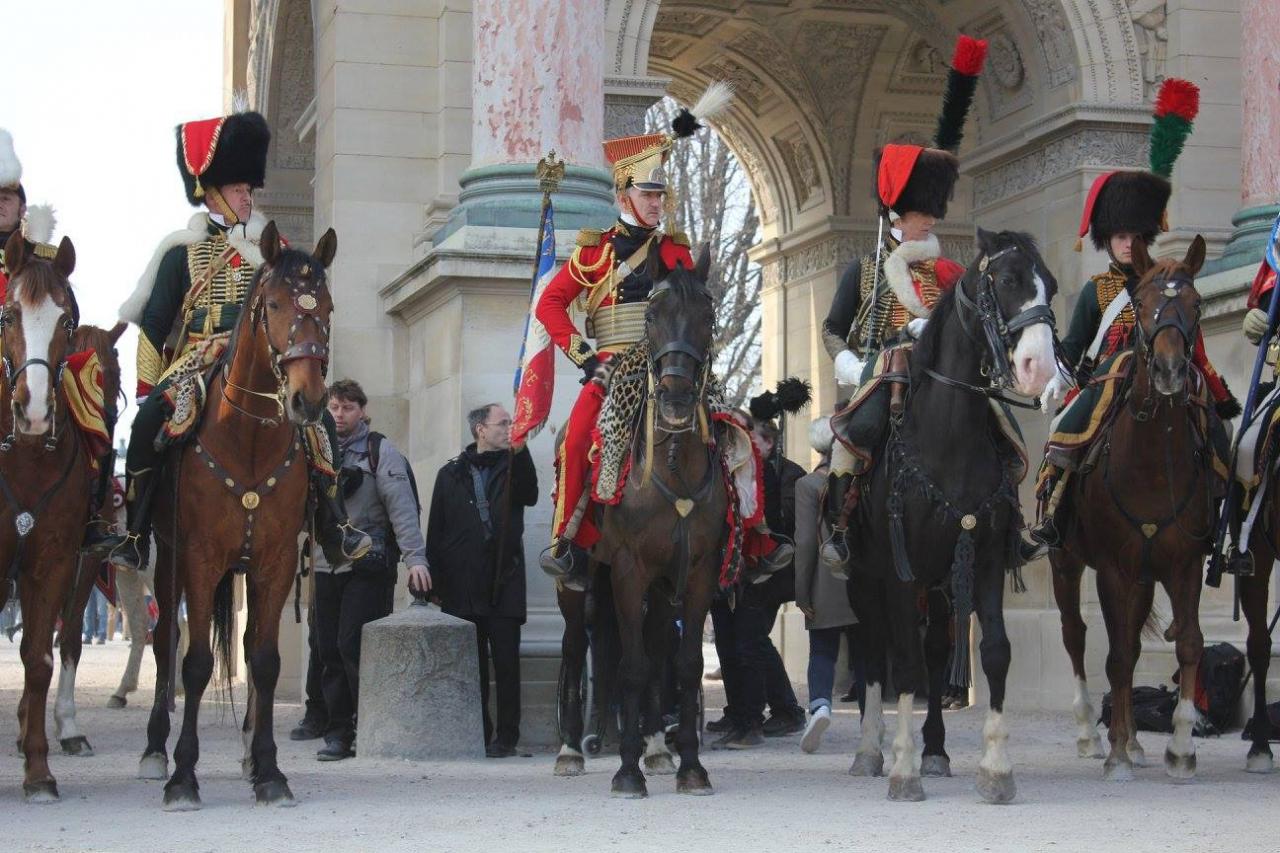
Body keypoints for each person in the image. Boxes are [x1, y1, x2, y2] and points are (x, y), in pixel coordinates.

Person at [109, 109, 370, 573]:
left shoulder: (276, 255)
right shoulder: (180, 252)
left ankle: (336, 526)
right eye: (238, 190)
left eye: (249, 190)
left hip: (264, 364)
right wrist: (150, 387)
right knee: (147, 423)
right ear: (212, 193)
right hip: (195, 360)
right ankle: (136, 531)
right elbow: (152, 325)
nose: (247, 197)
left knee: (319, 424)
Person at [531, 85, 741, 590]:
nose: (657, 204)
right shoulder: (595, 253)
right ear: (624, 195)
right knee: (578, 438)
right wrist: (583, 356)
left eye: (661, 195)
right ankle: (571, 542)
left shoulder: (676, 252)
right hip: (611, 362)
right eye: (649, 195)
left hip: (669, 364)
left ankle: (748, 540)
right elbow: (550, 304)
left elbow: (693, 307)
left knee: (734, 437)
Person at [1031, 78, 1237, 547]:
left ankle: (1223, 510)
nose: (1127, 243)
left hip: (1166, 371)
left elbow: (1188, 335)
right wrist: (1056, 378)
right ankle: (1053, 511)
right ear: (1108, 239)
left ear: (1145, 237)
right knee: (1063, 432)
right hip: (1107, 382)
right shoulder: (1097, 291)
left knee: (1216, 429)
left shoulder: (1170, 284)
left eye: (1134, 236)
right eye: (1119, 236)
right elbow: (1073, 345)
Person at [819, 35, 988, 572]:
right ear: (899, 216)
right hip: (881, 371)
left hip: (940, 374)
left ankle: (1010, 521)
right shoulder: (864, 270)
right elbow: (832, 328)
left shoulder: (948, 271)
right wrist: (848, 362)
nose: (933, 220)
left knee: (998, 425)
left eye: (933, 212)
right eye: (924, 213)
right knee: (853, 436)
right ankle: (842, 527)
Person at [0, 128, 119, 554]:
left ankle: (94, 510)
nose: (1, 205)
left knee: (94, 401)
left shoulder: (44, 260)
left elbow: (70, 314)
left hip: (36, 361)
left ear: (22, 208)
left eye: (7, 199)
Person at [310, 379, 428, 761]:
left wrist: (416, 560)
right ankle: (338, 732)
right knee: (328, 649)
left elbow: (403, 509)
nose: (339, 415)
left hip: (369, 564)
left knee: (352, 645)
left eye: (347, 408)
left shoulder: (381, 452)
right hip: (327, 564)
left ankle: (371, 723)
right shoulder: (316, 451)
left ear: (362, 410)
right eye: (333, 407)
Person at [428, 403, 538, 758]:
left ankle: (507, 737)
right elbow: (437, 530)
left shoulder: (514, 465)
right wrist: (434, 582)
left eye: (511, 422)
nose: (509, 427)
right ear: (480, 430)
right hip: (462, 587)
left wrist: (521, 452)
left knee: (507, 665)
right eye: (503, 422)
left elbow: (531, 494)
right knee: (472, 668)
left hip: (504, 582)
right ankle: (478, 732)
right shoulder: (451, 474)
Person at [794, 415, 859, 753]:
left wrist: (801, 592)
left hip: (825, 580)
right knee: (865, 653)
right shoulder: (861, 482)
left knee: (822, 651)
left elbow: (805, 543)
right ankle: (870, 718)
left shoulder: (807, 485)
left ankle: (819, 704)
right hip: (862, 580)